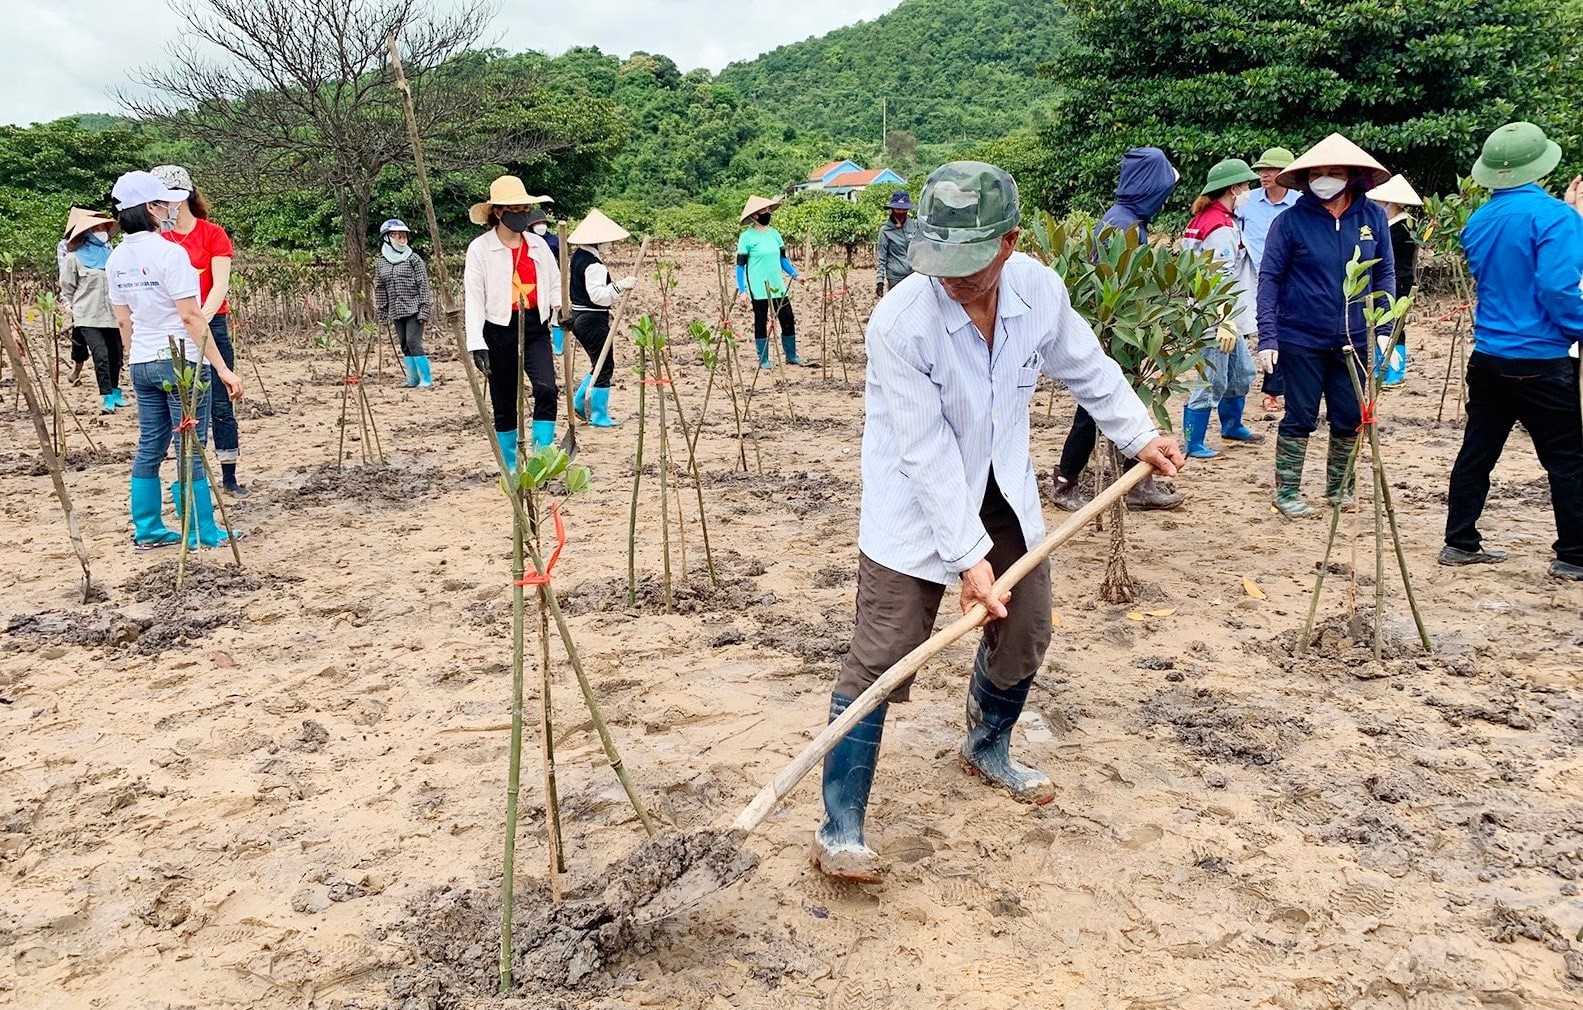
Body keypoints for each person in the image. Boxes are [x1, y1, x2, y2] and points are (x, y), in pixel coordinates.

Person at [814, 161, 1185, 883]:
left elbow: (1089, 368)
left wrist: (1138, 433)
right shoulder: (900, 321)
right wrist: (965, 559)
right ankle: (842, 822)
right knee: (884, 648)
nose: (950, 280)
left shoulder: (1038, 290)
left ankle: (986, 745)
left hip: (1001, 486)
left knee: (1026, 624)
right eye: (939, 265)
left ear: (1009, 242)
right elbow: (921, 453)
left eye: (968, 266)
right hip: (914, 503)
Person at [1441, 122, 1583, 581]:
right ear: (1540, 165)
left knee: (1478, 451)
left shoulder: (1478, 220)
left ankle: (1459, 541)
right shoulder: (1557, 217)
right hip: (1542, 358)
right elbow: (1557, 286)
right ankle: (1574, 554)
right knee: (1565, 458)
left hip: (1489, 354)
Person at [1255, 134, 1393, 519]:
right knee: (1300, 415)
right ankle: (1287, 491)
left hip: (1355, 337)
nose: (1326, 179)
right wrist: (1268, 336)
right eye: (1318, 173)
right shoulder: (1290, 223)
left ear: (1351, 176)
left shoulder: (1373, 218)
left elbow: (1384, 273)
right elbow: (1269, 279)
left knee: (1349, 416)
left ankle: (1340, 488)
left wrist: (1383, 328)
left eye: (1334, 172)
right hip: (1300, 337)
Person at [106, 170, 244, 550]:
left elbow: (122, 319)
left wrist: (136, 358)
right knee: (192, 442)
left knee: (150, 442)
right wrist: (221, 367)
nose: (170, 208)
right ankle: (202, 530)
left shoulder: (116, 257)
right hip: (179, 359)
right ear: (150, 207)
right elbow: (191, 317)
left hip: (142, 361)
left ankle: (148, 529)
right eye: (164, 202)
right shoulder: (171, 253)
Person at [1052, 146, 1182, 511]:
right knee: (1095, 409)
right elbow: (1115, 286)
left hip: (1122, 334)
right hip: (1116, 335)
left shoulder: (1128, 220)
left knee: (1121, 406)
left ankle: (1133, 483)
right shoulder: (1121, 226)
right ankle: (1066, 483)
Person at [151, 165, 249, 498]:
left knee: (222, 400)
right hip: (171, 329)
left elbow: (220, 283)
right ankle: (193, 479)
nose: (168, 206)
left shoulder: (212, 234)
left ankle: (229, 474)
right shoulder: (156, 239)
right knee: (185, 405)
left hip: (210, 324)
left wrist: (201, 318)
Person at [463, 175, 562, 462]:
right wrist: (476, 342)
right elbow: (474, 298)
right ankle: (510, 463)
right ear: (497, 212)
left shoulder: (538, 246)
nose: (521, 215)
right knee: (504, 399)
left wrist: (559, 308)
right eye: (514, 210)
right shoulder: (480, 249)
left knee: (546, 388)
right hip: (498, 330)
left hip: (535, 326)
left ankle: (541, 455)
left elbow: (554, 281)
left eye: (524, 210)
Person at [1180, 158, 1265, 458]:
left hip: (1223, 315)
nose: (1249, 192)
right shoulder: (1218, 227)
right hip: (1214, 317)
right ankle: (1193, 442)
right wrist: (1224, 319)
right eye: (1246, 186)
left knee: (1241, 372)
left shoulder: (1212, 219)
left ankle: (1232, 426)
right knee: (1210, 380)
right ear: (1233, 188)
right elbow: (1219, 276)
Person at [1238, 147, 1301, 413]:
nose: (1264, 174)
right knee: (1267, 331)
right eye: (1262, 169)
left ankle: (1282, 388)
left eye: (1271, 169)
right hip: (1256, 277)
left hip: (1294, 276)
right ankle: (1272, 391)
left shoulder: (1301, 202)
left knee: (1291, 333)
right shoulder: (1246, 200)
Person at [567, 208, 637, 427]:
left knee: (598, 363)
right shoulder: (594, 265)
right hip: (592, 319)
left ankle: (580, 402)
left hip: (579, 316)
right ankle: (598, 414)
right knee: (605, 366)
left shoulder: (578, 256)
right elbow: (598, 296)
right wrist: (620, 285)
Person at [58, 211, 124, 414]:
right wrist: (70, 306)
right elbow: (67, 286)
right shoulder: (73, 258)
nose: (101, 232)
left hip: (112, 313)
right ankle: (106, 396)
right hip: (87, 315)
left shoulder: (112, 255)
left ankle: (115, 391)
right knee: (100, 354)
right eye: (96, 229)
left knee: (116, 355)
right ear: (87, 233)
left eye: (103, 228)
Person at [736, 195, 808, 369]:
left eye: (768, 210)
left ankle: (791, 355)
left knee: (788, 317)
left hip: (778, 286)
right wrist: (742, 290)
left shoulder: (775, 235)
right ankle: (764, 359)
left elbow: (783, 260)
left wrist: (795, 275)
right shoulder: (747, 238)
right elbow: (740, 266)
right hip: (758, 286)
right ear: (754, 215)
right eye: (763, 210)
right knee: (761, 320)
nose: (767, 213)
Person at [1365, 174, 1423, 389]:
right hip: (1390, 281)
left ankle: (1394, 373)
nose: (1376, 204)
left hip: (1399, 282)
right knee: (1381, 324)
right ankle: (1383, 368)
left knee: (1394, 326)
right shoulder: (1393, 224)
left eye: (1380, 201)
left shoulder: (1403, 227)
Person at [374, 218, 434, 390]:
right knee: (405, 344)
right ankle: (412, 380)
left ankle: (426, 379)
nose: (401, 238)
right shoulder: (381, 262)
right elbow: (380, 288)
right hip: (396, 310)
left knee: (413, 342)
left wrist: (424, 310)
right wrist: (382, 312)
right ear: (387, 238)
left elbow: (423, 285)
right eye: (396, 235)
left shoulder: (414, 259)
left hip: (414, 309)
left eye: (403, 235)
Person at [59, 207, 97, 386]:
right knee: (79, 340)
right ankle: (77, 369)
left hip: (101, 300)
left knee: (105, 344)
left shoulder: (104, 245)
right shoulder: (65, 247)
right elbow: (65, 277)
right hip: (81, 301)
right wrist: (69, 304)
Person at [525, 208, 566, 356]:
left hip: (552, 280)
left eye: (543, 222)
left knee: (557, 311)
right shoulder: (526, 240)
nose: (541, 225)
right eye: (537, 223)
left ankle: (558, 345)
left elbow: (562, 260)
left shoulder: (554, 240)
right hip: (533, 283)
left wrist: (561, 278)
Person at [874, 190, 918, 296]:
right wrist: (880, 281)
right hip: (895, 277)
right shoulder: (885, 231)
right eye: (898, 209)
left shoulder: (915, 226)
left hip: (914, 275)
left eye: (904, 209)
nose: (901, 213)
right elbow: (881, 257)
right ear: (892, 209)